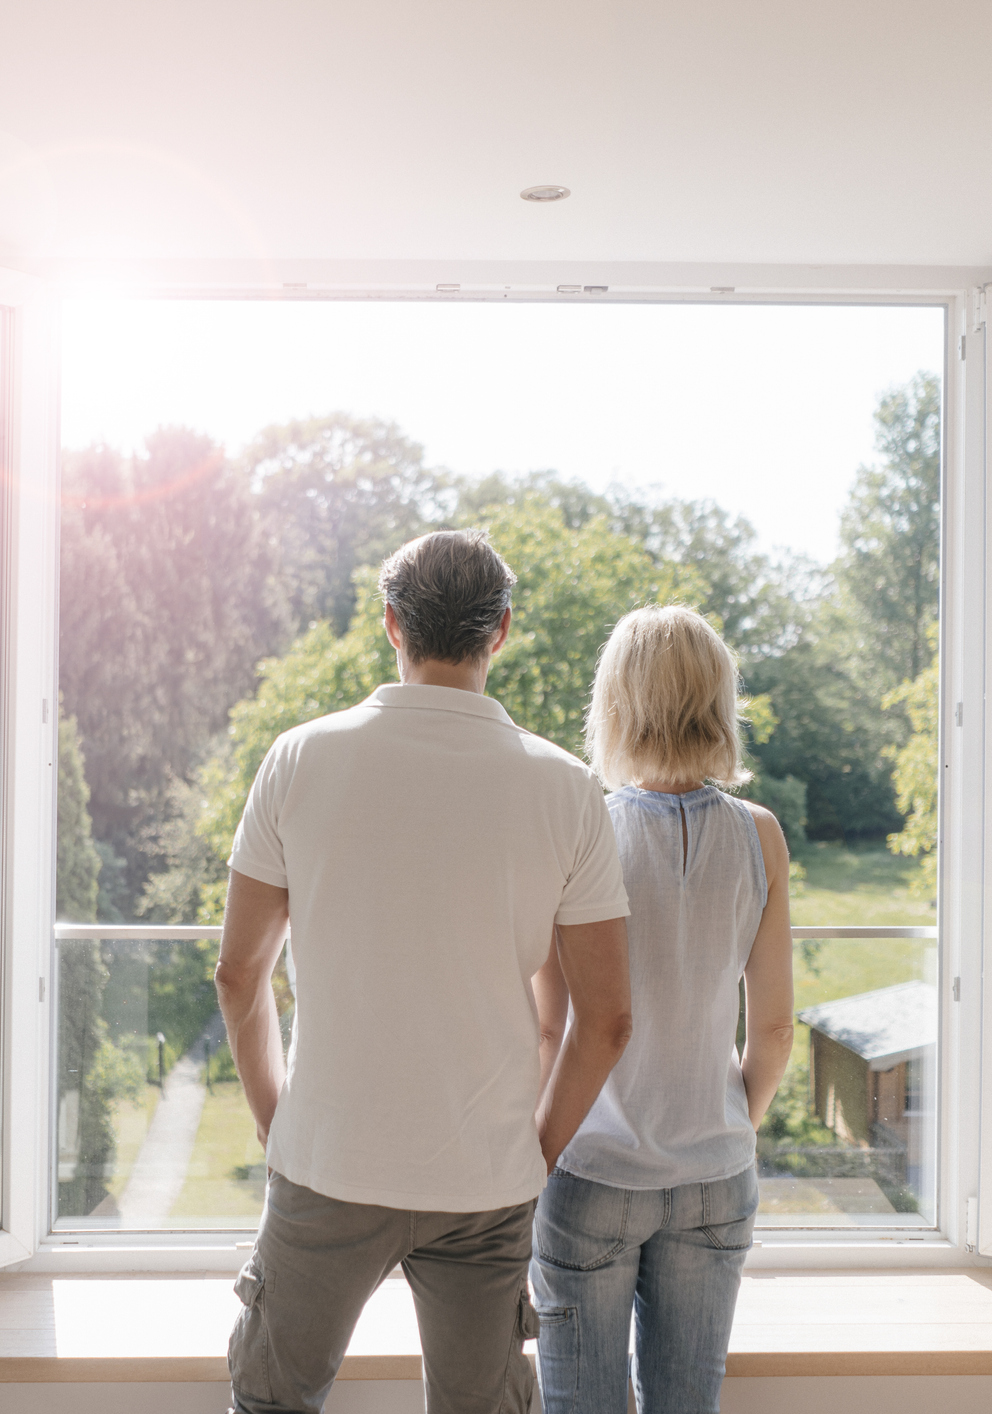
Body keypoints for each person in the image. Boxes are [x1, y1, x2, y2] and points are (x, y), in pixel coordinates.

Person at [216, 529, 634, 1414]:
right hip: (484, 1179)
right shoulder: (565, 790)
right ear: (503, 630)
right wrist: (534, 1151)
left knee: (270, 1405)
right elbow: (603, 1020)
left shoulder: (299, 758)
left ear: (389, 625)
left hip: (326, 1160)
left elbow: (239, 976)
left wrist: (274, 1121)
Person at [530, 605, 795, 1414]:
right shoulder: (762, 836)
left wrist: (532, 1159)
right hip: (716, 1174)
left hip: (593, 1172)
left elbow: (553, 1027)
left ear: (614, 705)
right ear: (719, 704)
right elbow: (776, 1030)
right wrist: (728, 1127)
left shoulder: (581, 833)